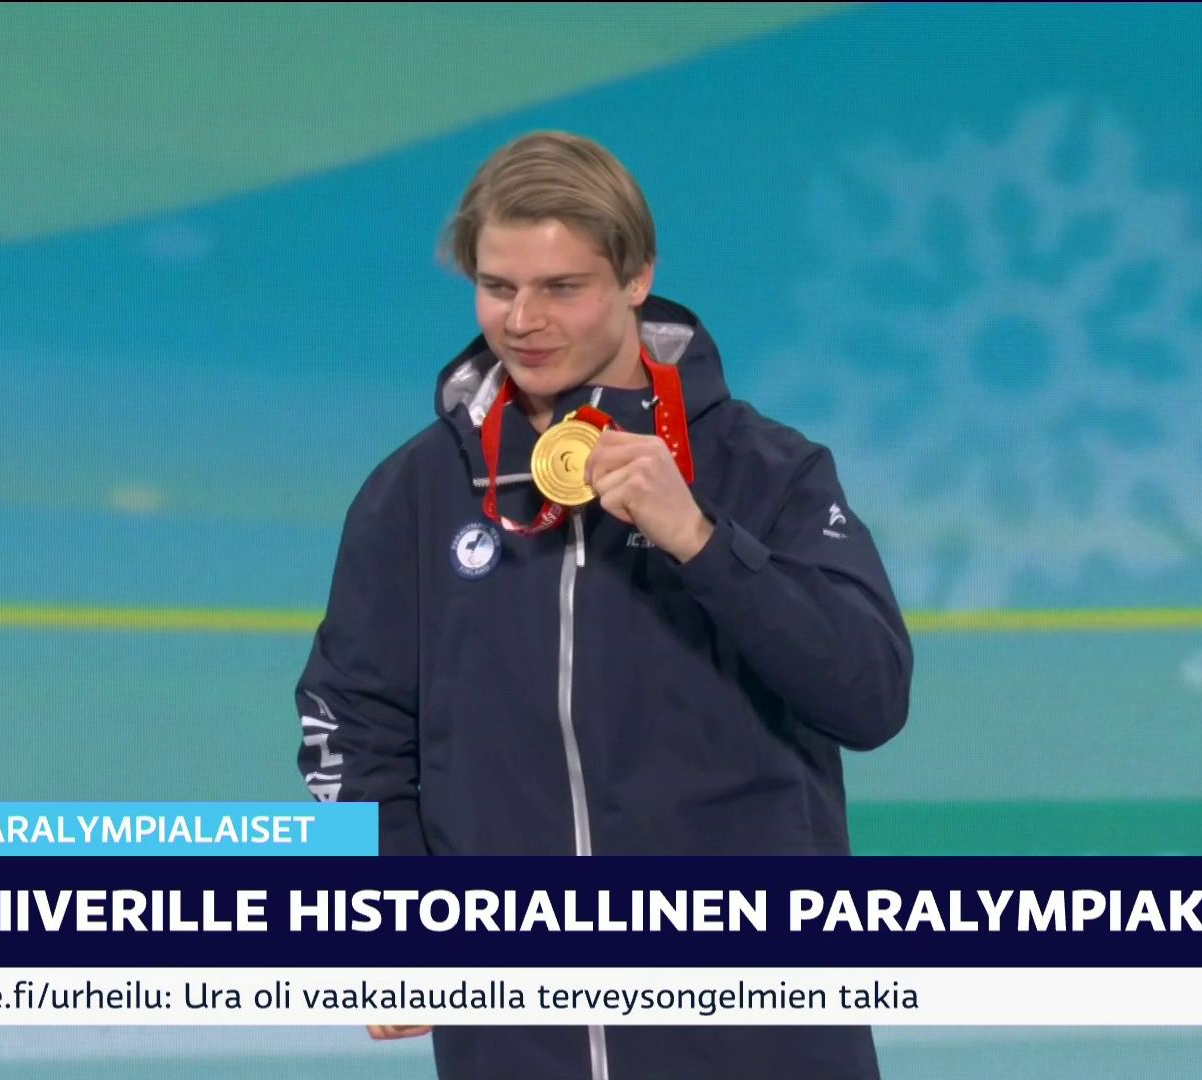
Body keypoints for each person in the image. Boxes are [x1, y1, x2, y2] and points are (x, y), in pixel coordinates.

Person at [295, 130, 913, 1080]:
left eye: (561, 288)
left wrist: (700, 541)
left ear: (636, 277)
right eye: (497, 286)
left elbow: (869, 697)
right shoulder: (416, 493)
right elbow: (351, 723)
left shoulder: (765, 472)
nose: (523, 321)